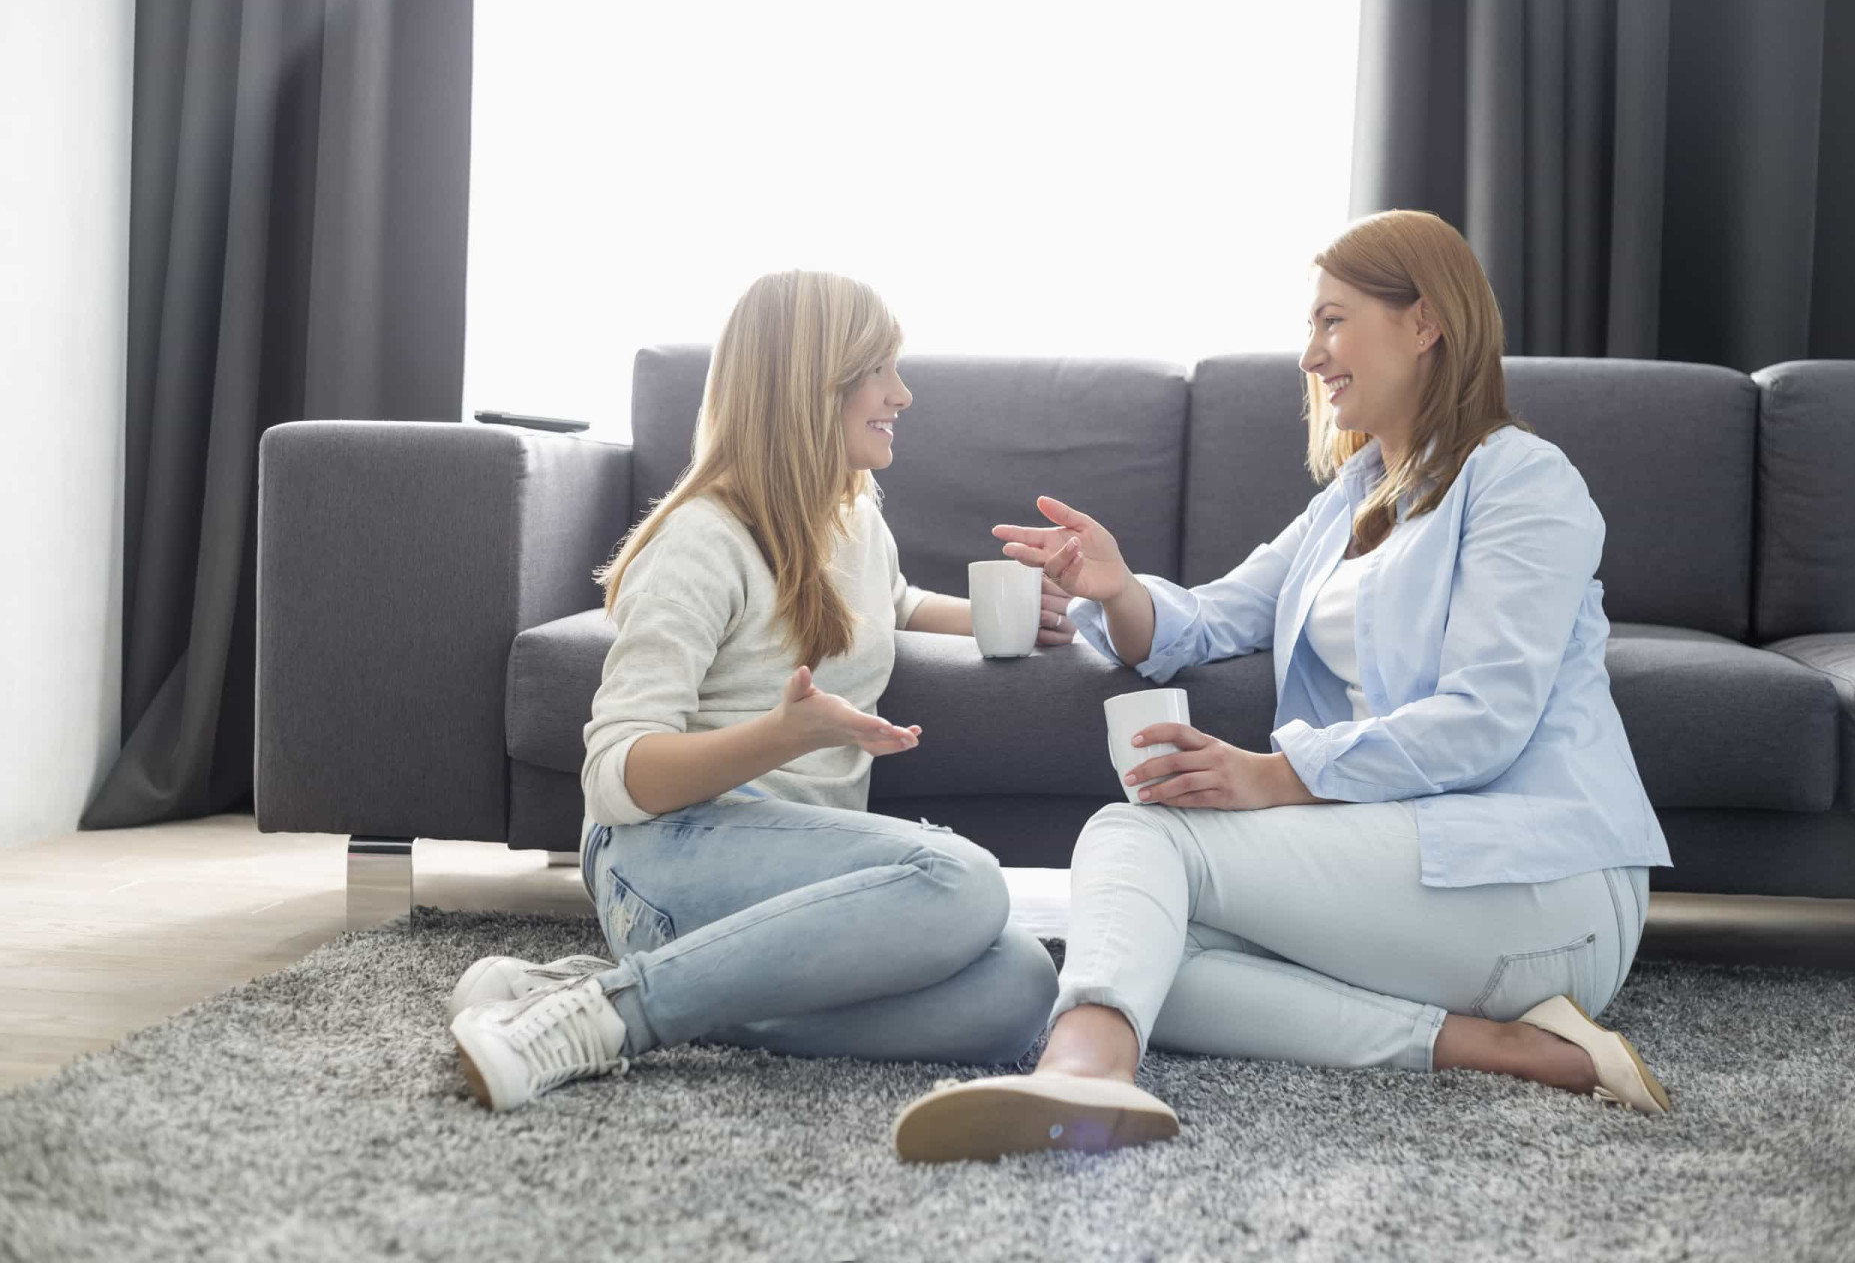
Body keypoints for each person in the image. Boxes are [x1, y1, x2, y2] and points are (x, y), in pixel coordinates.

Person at [892, 210, 1674, 1164]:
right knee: (1140, 943)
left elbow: (1485, 724)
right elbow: (1212, 620)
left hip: (1537, 874)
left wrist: (1272, 776)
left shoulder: (1523, 481)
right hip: (1412, 866)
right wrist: (1116, 585)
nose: (1312, 355)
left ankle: (1084, 1074)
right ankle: (1503, 1048)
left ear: (1425, 323)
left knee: (1134, 836)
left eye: (1333, 321)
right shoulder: (1354, 498)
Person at [446, 269, 1069, 1112]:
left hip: (791, 883)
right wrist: (779, 737)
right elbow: (617, 775)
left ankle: (575, 987)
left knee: (1020, 987)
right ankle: (609, 1019)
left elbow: (893, 604)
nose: (903, 393)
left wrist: (1015, 618)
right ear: (813, 383)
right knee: (962, 879)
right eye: (878, 369)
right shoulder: (702, 540)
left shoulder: (853, 517)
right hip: (663, 860)